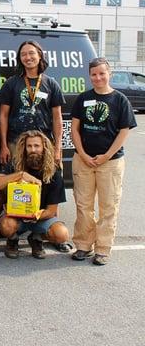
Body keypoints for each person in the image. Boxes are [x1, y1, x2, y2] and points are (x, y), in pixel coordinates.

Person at [0, 40, 65, 248]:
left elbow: (57, 118)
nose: (28, 57)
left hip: (43, 145)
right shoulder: (12, 84)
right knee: (8, 185)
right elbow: (3, 116)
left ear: (40, 56)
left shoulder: (51, 83)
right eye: (24, 54)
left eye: (32, 53)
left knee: (46, 184)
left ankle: (38, 232)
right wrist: (4, 145)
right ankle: (6, 230)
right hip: (17, 144)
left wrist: (58, 147)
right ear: (20, 58)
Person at [71, 57, 136, 265]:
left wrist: (106, 155)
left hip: (111, 162)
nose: (97, 78)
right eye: (93, 74)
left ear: (110, 74)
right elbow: (74, 129)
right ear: (89, 76)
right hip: (83, 160)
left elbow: (124, 130)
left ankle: (102, 249)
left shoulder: (120, 100)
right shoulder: (83, 99)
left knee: (108, 207)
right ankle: (83, 246)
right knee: (83, 205)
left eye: (101, 73)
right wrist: (82, 154)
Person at [0, 130, 70, 259]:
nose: (33, 149)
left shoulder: (54, 171)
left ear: (44, 148)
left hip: (40, 217)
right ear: (24, 148)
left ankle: (36, 238)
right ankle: (12, 239)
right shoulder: (15, 164)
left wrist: (36, 216)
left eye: (37, 146)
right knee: (5, 226)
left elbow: (51, 211)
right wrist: (21, 175)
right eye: (29, 146)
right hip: (17, 217)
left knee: (61, 235)